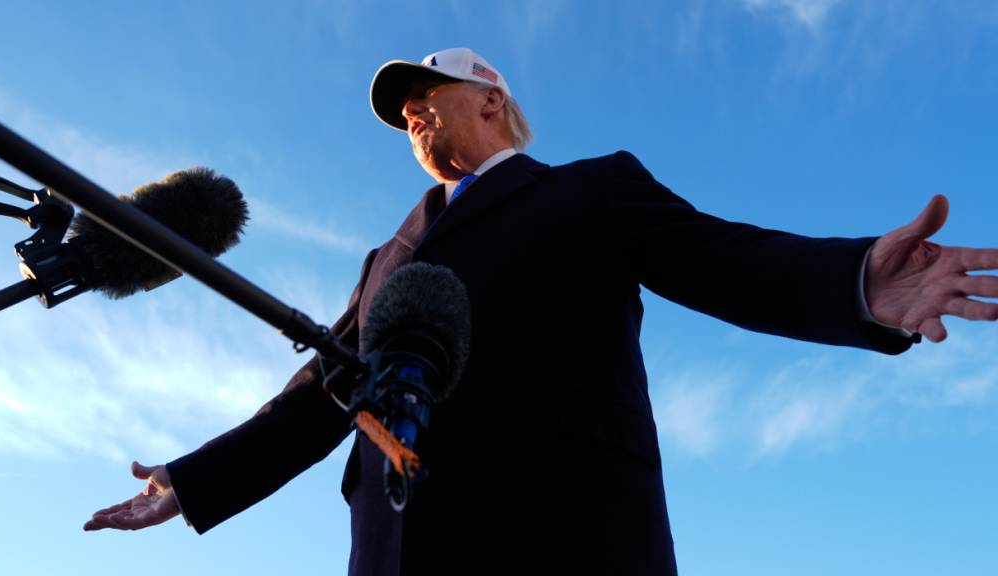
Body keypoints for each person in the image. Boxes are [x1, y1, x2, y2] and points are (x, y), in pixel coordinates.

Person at [85, 48, 998, 575]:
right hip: (396, 552)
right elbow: (323, 390)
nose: (409, 113)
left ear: (490, 101)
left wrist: (855, 288)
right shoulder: (383, 262)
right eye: (401, 109)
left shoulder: (592, 192)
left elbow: (723, 258)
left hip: (562, 543)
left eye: (423, 95)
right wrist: (194, 480)